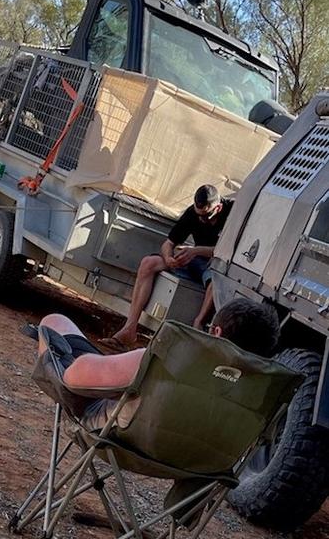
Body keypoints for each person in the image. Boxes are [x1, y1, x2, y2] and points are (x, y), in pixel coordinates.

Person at [38, 298, 280, 432]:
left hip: (125, 435)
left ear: (216, 332)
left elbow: (73, 378)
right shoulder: (260, 394)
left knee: (54, 322)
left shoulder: (168, 358)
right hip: (194, 463)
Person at [111, 184, 234, 348]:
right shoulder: (193, 213)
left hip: (216, 265)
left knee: (217, 281)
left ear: (218, 208)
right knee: (149, 263)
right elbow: (168, 243)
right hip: (194, 260)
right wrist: (169, 258)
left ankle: (198, 323)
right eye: (198, 216)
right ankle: (130, 327)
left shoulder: (233, 213)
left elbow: (230, 252)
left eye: (205, 216)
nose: (201, 220)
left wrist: (197, 250)